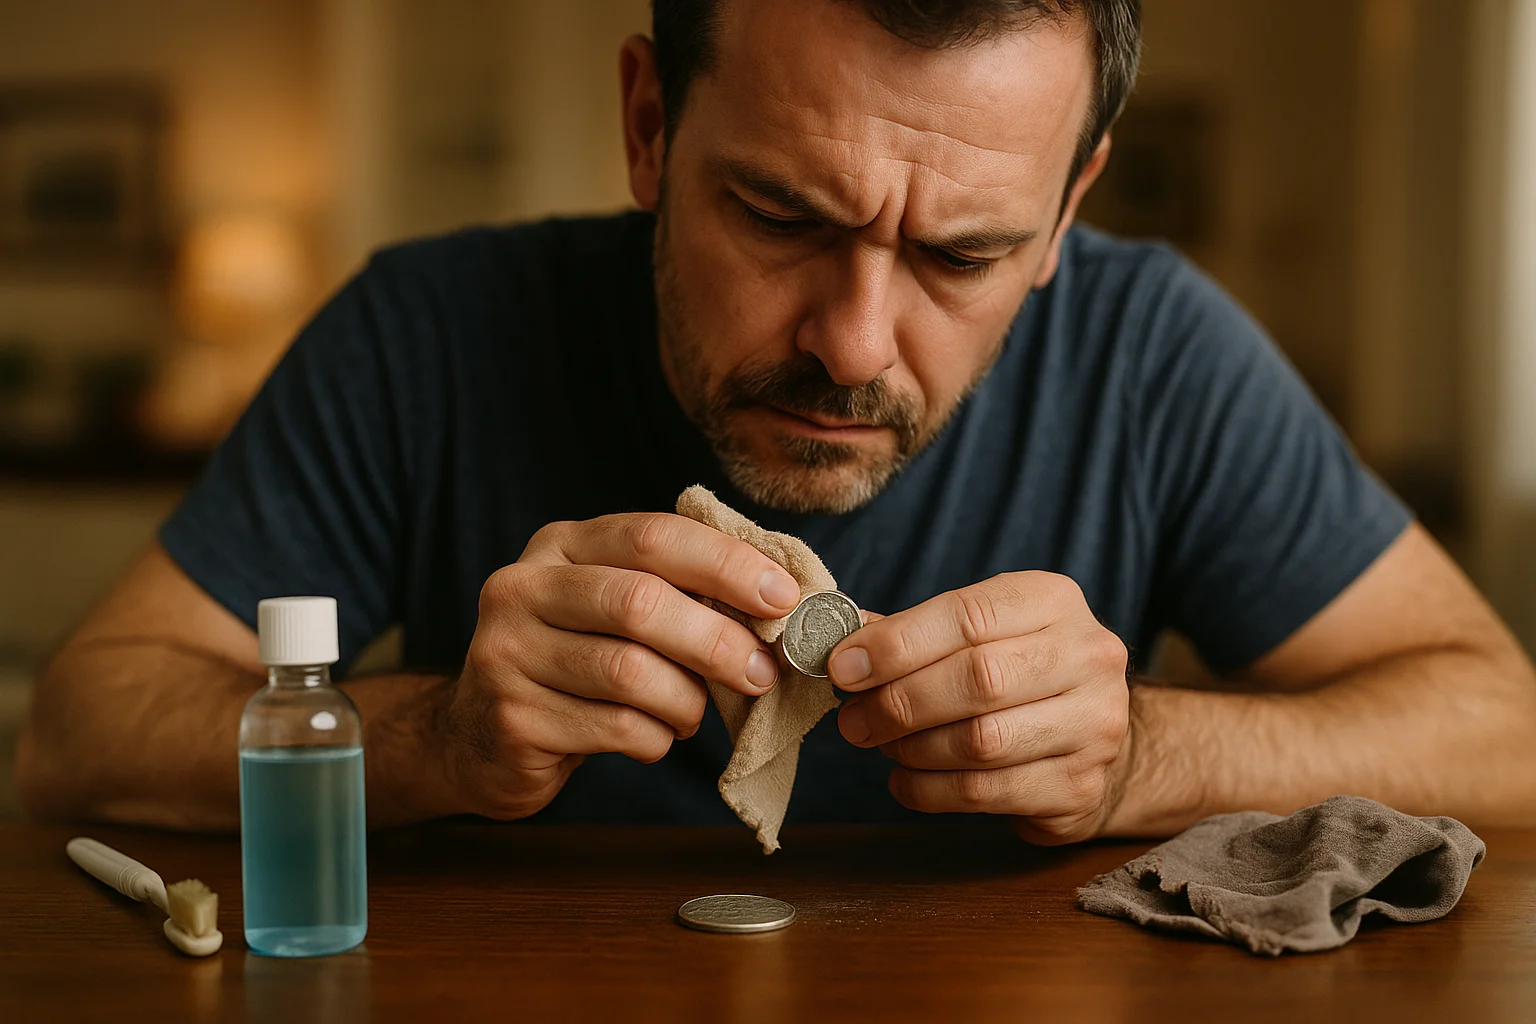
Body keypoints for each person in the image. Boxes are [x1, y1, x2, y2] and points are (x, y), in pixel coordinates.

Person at [17, 0, 1536, 843]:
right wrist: (439, 740)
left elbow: (1500, 729)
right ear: (647, 127)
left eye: (966, 255)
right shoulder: (424, 334)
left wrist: (1140, 756)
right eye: (779, 213)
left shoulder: (1155, 351)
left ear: (1071, 206)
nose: (855, 342)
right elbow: (75, 739)